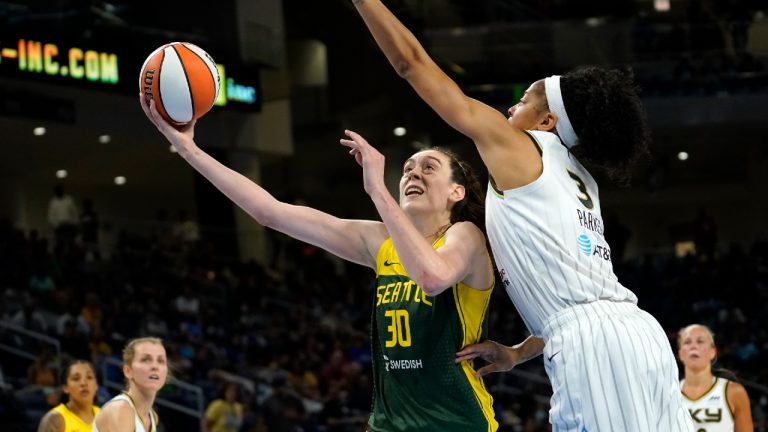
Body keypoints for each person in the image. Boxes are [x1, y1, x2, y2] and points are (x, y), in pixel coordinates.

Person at [349, 1, 695, 431]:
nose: (511, 108)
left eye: (525, 99)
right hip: (636, 335)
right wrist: (518, 352)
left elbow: (410, 63)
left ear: (547, 121)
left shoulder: (524, 147)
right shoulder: (580, 178)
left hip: (598, 345)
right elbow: (579, 304)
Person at [141, 95, 498, 431]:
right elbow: (271, 212)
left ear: (457, 192)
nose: (412, 173)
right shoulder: (380, 243)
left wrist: (377, 190)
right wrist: (189, 149)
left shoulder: (464, 235)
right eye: (407, 168)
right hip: (390, 424)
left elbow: (432, 277)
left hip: (458, 421)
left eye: (428, 167)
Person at [678, 324, 754, 432]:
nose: (693, 346)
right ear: (680, 354)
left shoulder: (734, 392)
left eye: (700, 341)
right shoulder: (668, 395)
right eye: (687, 342)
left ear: (712, 352)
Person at [93, 337, 167, 432]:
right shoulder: (121, 410)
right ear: (128, 371)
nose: (155, 366)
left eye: (161, 361)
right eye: (146, 360)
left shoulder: (152, 416)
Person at [37, 360, 100, 432]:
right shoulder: (54, 419)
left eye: (89, 377)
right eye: (76, 379)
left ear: (96, 385)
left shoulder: (104, 416)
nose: (84, 383)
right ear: (65, 388)